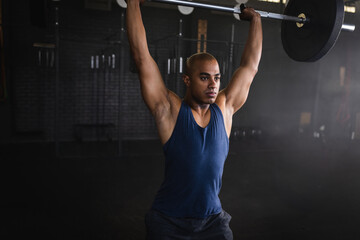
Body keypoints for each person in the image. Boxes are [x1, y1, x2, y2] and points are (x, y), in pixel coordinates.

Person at [126, 0, 262, 239]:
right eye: (204, 77)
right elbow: (141, 58)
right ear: (187, 80)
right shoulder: (171, 111)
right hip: (168, 221)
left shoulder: (225, 108)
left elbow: (250, 67)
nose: (213, 84)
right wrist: (133, 3)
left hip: (212, 222)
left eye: (217, 78)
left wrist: (256, 21)